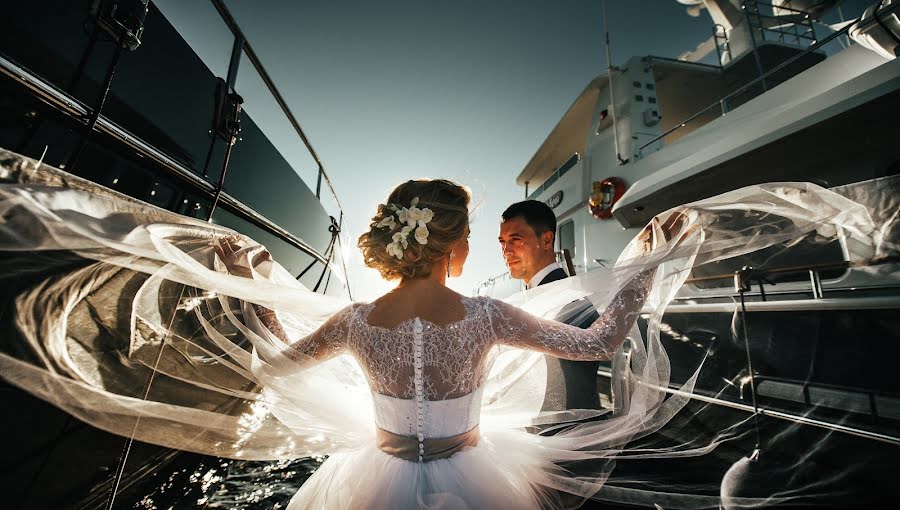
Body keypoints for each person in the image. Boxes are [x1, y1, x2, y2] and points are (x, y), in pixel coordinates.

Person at [218, 179, 659, 508]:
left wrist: (251, 292)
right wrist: (647, 260)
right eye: (467, 237)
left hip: (374, 482)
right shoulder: (487, 314)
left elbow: (276, 365)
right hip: (477, 480)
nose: (471, 246)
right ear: (447, 245)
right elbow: (600, 342)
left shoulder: (354, 320)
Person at [498, 200, 603, 412]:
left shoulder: (568, 298)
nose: (506, 252)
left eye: (515, 240)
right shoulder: (532, 294)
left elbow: (571, 384)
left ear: (546, 241)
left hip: (565, 434)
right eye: (502, 242)